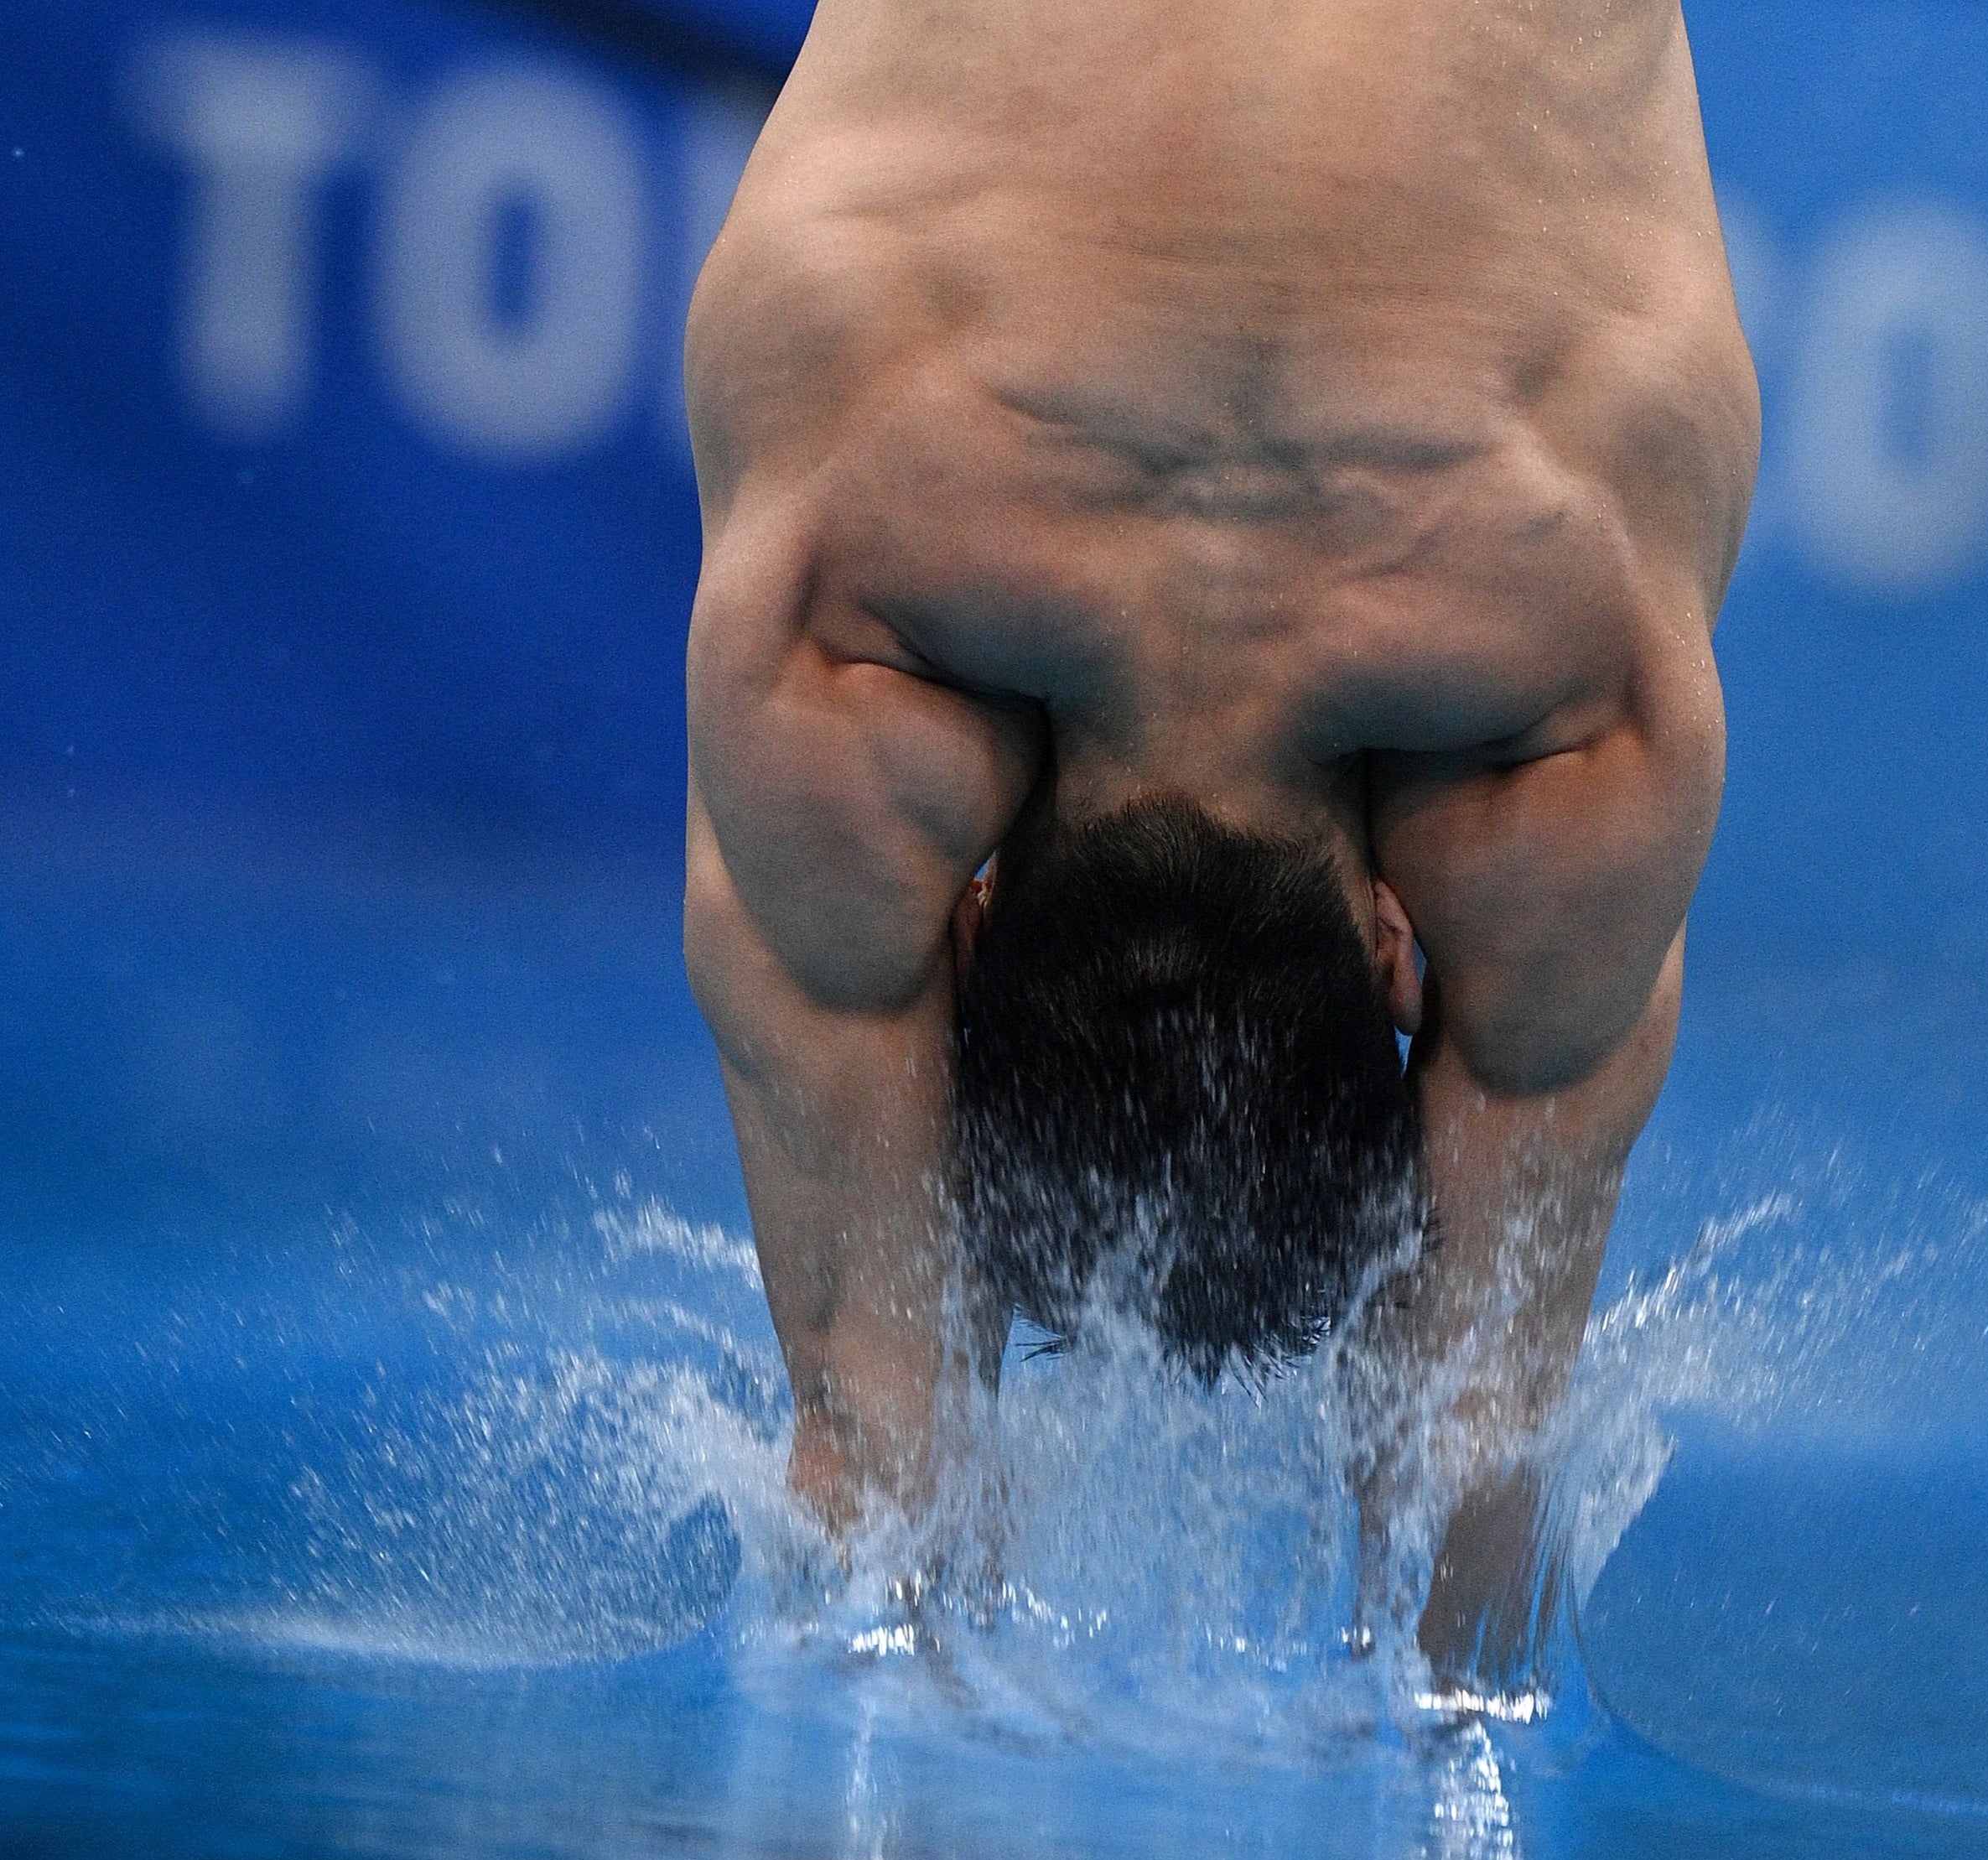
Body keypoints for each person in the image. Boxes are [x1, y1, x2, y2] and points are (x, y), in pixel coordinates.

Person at [680, 0, 1757, 1686]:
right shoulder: (850, 603)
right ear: (977, 919)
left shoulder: (1569, 660)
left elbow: (1471, 1489)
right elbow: (872, 1452)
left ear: (1392, 950)